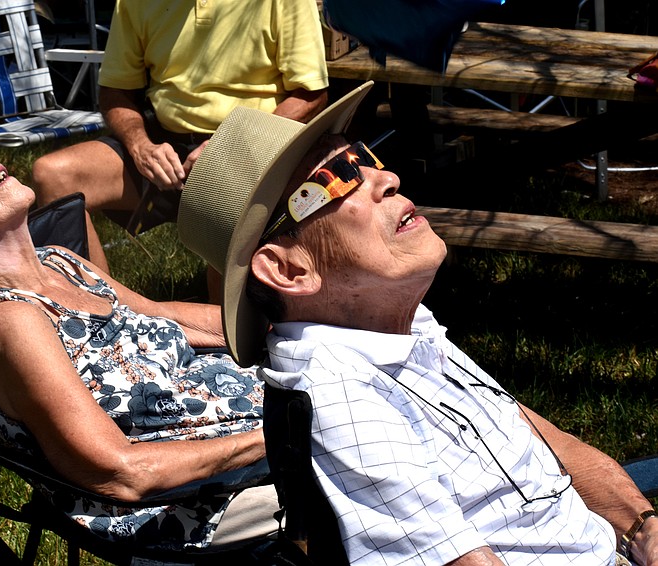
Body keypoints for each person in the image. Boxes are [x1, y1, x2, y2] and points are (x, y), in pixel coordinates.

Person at [177, 82, 658, 565]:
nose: (386, 179)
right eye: (336, 177)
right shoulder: (342, 398)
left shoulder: (394, 321)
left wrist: (643, 526)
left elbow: (533, 435)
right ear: (289, 270)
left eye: (365, 157)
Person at [0, 125, 281, 552]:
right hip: (196, 503)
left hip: (266, 427)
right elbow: (122, 472)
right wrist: (288, 435)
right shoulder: (9, 321)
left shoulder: (60, 263)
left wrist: (297, 322)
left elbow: (166, 318)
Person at [31, 0, 330, 273]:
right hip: (165, 147)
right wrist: (141, 147)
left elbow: (310, 95)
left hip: (250, 147)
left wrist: (234, 143)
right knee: (54, 176)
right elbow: (115, 91)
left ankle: (224, 325)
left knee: (223, 241)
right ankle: (99, 311)